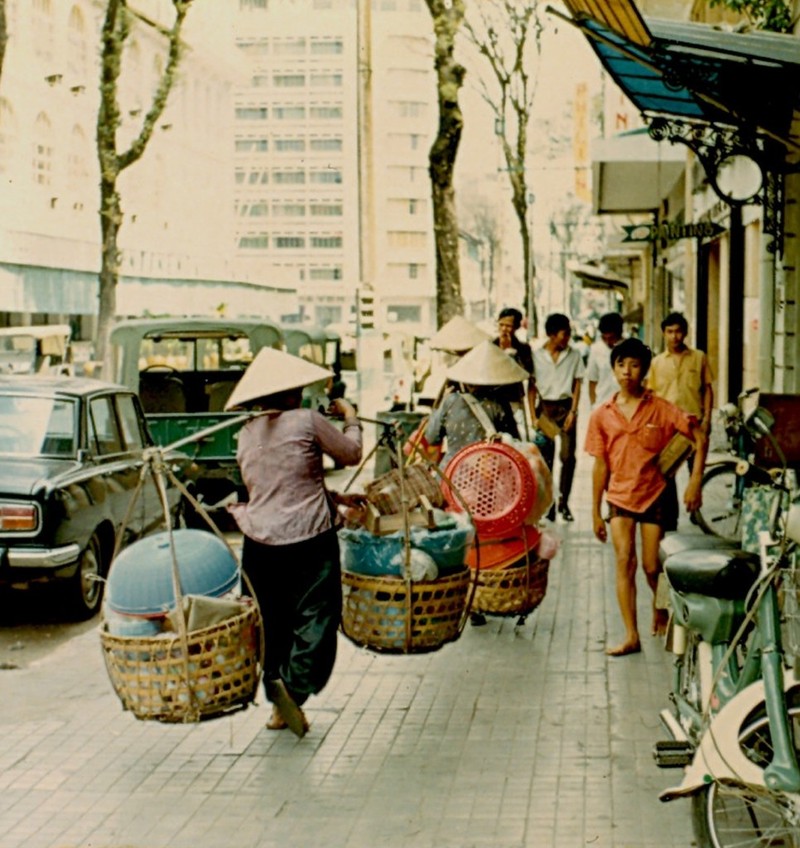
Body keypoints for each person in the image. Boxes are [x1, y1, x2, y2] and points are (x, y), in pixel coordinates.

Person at [225, 347, 363, 738]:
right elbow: (351, 454)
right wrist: (351, 418)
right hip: (309, 540)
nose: (301, 394)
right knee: (317, 616)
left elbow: (276, 486)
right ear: (287, 394)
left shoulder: (247, 432)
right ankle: (295, 689)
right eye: (297, 388)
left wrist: (335, 499)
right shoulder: (307, 420)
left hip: (260, 542)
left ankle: (278, 709)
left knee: (272, 622)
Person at [584, 338, 706, 657]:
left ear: (644, 371)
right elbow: (600, 465)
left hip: (654, 496)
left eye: (634, 365)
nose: (627, 371)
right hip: (619, 498)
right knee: (624, 562)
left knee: (652, 567)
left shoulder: (661, 409)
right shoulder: (602, 415)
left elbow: (698, 435)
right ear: (613, 369)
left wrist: (695, 482)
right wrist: (595, 511)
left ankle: (661, 608)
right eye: (621, 364)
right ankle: (631, 635)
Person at [424, 339, 524, 468]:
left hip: (451, 473)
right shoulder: (499, 403)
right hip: (486, 475)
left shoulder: (450, 401)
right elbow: (513, 442)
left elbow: (431, 437)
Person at [531, 313, 585, 522]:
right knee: (546, 460)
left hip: (566, 408)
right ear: (552, 335)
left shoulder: (574, 355)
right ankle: (550, 504)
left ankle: (564, 502)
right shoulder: (537, 356)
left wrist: (574, 411)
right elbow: (532, 387)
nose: (568, 337)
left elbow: (578, 383)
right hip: (545, 409)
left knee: (568, 457)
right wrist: (533, 416)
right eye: (565, 333)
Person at [646, 311, 714, 441]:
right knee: (667, 461)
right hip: (666, 423)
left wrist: (707, 419)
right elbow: (652, 395)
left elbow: (708, 390)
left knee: (697, 460)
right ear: (663, 334)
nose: (674, 337)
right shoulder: (656, 362)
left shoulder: (699, 357)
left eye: (678, 331)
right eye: (669, 332)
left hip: (694, 422)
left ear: (685, 333)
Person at [492, 307, 535, 433]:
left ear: (516, 327)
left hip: (514, 398)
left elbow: (526, 373)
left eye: (508, 326)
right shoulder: (490, 345)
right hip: (492, 398)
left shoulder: (523, 349)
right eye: (501, 325)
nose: (504, 329)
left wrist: (509, 353)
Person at [586, 312, 624, 407]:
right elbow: (592, 381)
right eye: (604, 338)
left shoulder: (631, 348)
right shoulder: (596, 350)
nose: (607, 342)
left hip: (625, 406)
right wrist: (593, 406)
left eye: (611, 338)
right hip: (602, 405)